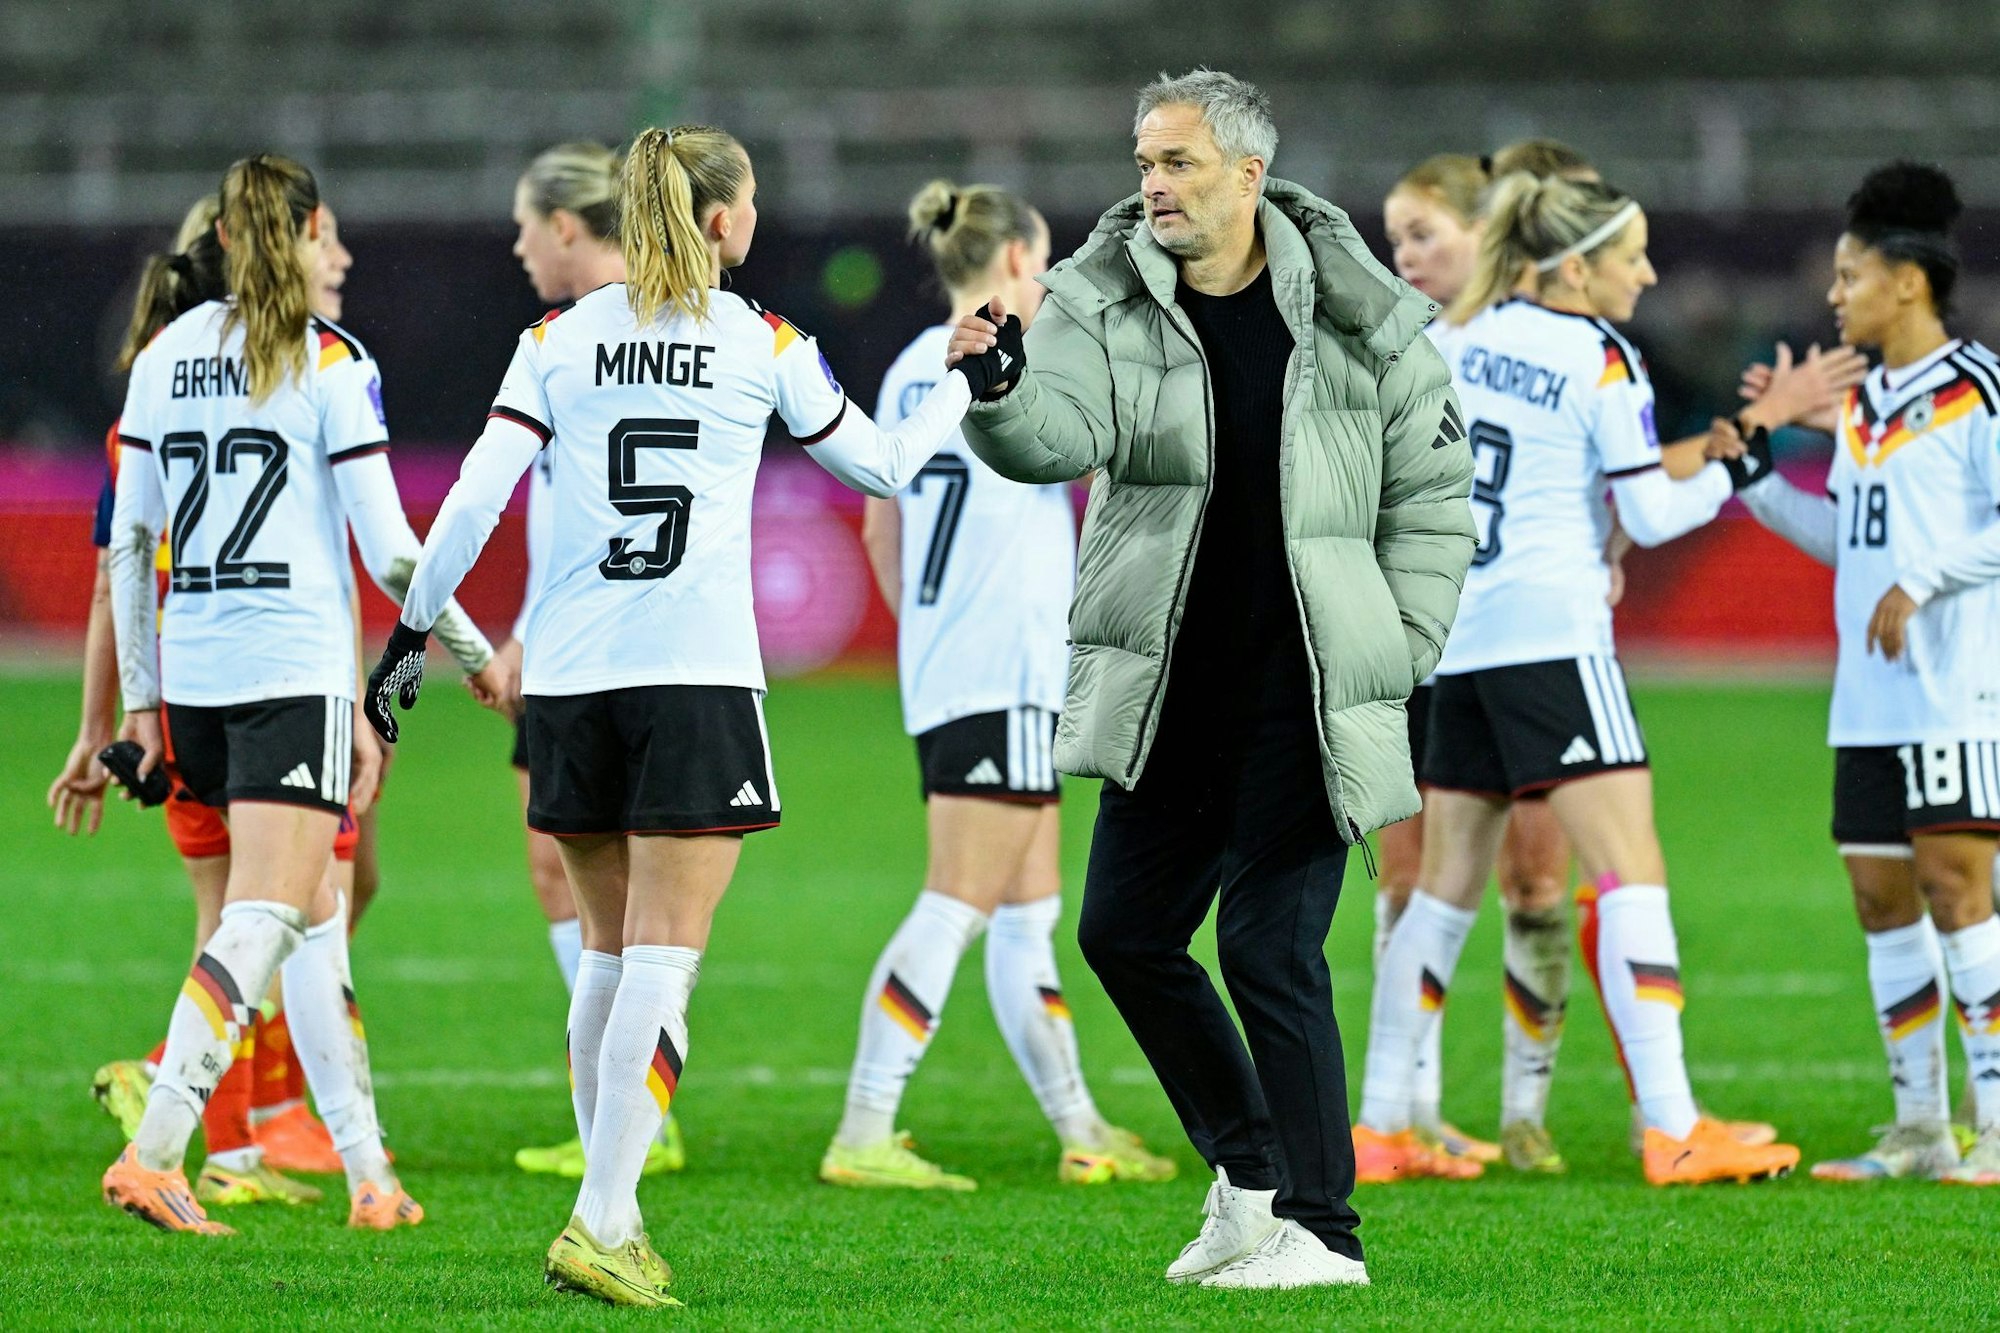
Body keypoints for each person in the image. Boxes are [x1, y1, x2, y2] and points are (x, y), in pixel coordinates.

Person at [367, 124, 988, 1307]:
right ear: (717, 221)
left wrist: (407, 643)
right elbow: (887, 467)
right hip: (694, 672)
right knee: (663, 956)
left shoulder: (556, 338)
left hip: (571, 678)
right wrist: (965, 378)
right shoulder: (758, 338)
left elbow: (470, 502)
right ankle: (601, 1216)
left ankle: (620, 1211)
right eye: (746, 204)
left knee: (606, 952)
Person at [947, 69, 1473, 1289]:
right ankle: (1247, 1181)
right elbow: (1060, 436)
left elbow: (1435, 500)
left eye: (1177, 163)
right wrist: (1001, 389)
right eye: (1143, 161)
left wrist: (1394, 646)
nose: (1152, 184)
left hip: (1308, 682)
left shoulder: (1360, 311)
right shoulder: (1098, 301)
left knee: (1266, 949)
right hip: (1170, 681)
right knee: (1123, 932)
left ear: (1247, 174)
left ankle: (1325, 1231)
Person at [1353, 169, 1812, 1187]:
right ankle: (1673, 1124)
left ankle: (1381, 1125)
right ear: (1573, 267)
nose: (1646, 273)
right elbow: (1649, 514)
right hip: (1553, 643)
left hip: (1459, 643)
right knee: (1627, 871)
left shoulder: (1453, 339)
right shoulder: (1593, 354)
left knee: (1440, 891)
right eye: (1630, 254)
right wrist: (1740, 465)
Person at [102, 153, 495, 1234]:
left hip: (193, 680)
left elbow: (131, 550)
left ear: (223, 238)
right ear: (311, 228)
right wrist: (474, 654)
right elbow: (395, 557)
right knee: (266, 915)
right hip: (288, 678)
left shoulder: (164, 356)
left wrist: (141, 707)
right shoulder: (327, 360)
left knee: (316, 919)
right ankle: (157, 1150)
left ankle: (371, 1176)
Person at [822, 179, 1173, 1191]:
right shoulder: (1009, 359)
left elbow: (880, 523)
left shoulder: (906, 367)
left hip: (955, 665)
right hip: (1005, 667)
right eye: (1048, 256)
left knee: (1023, 912)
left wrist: (930, 631)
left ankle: (1080, 1126)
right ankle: (862, 1128)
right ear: (1018, 258)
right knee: (957, 900)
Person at [1730, 161, 2000, 1184]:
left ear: (1906, 283)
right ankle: (1918, 1129)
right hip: (1868, 696)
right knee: (1880, 899)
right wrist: (1751, 481)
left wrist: (1925, 577)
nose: (1833, 295)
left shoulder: (1973, 389)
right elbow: (1853, 537)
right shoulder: (1864, 404)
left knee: (1954, 889)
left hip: (1953, 689)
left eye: (1848, 277)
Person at [493, 142, 688, 1183]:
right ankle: (617, 1111)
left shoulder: (581, 344)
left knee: (623, 905)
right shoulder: (618, 330)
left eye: (526, 225)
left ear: (567, 224)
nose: (519, 247)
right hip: (593, 639)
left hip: (596, 649)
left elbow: (585, 519)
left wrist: (522, 632)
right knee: (586, 887)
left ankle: (624, 1110)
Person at [1378, 152, 1569, 1174]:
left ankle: (1525, 1107)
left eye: (1423, 235)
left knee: (1537, 876)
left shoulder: (1537, 349)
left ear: (1481, 234)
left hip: (1518, 645)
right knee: (1411, 877)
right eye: (1396, 237)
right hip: (1414, 646)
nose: (1403, 255)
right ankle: (1409, 1106)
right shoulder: (1385, 348)